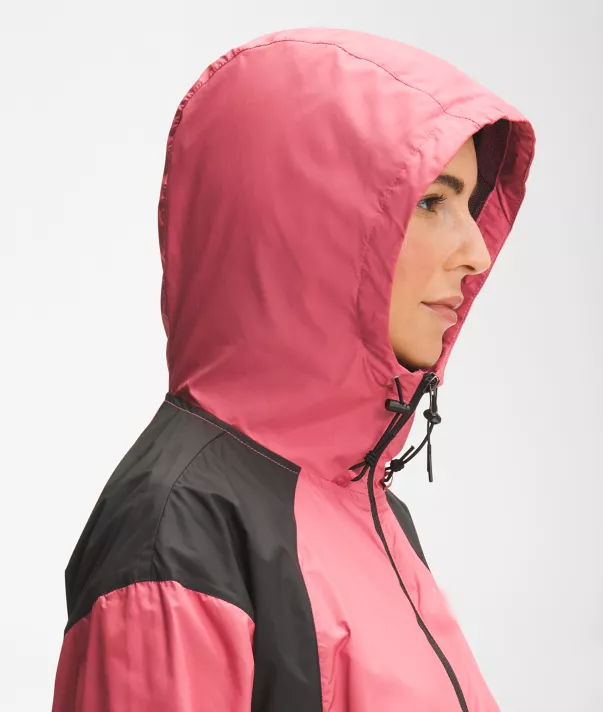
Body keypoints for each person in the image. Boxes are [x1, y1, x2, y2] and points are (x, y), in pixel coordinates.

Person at [51, 27, 535, 712]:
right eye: (432, 201)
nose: (476, 253)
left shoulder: (365, 504)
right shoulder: (179, 531)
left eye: (469, 204)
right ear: (311, 227)